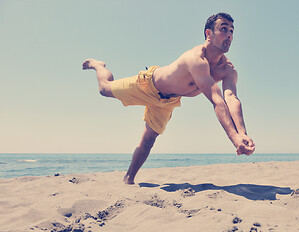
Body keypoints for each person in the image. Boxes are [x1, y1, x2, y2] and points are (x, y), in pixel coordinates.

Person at [83, 13, 255, 184]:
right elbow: (217, 99)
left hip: (168, 101)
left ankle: (128, 179)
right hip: (148, 85)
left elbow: (230, 97)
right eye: (224, 29)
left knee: (149, 138)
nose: (229, 35)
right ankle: (98, 65)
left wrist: (242, 134)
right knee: (104, 89)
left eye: (232, 31)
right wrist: (234, 138)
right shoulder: (196, 60)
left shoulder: (227, 69)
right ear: (209, 34)